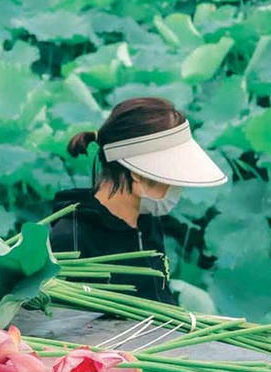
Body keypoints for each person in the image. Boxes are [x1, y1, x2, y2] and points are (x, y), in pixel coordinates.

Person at [50, 97, 229, 304]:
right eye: (170, 175)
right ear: (138, 173)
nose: (177, 188)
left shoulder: (146, 221)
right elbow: (62, 325)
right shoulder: (71, 238)